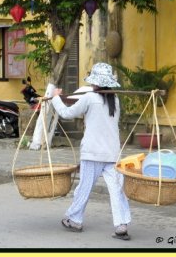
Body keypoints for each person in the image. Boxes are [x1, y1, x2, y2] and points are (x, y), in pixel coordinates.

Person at [51, 62, 132, 240]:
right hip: (112, 153)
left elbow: (66, 113)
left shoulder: (89, 97)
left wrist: (56, 97)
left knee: (84, 188)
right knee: (117, 189)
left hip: (93, 152)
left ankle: (74, 219)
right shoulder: (114, 99)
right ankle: (121, 224)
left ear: (95, 82)